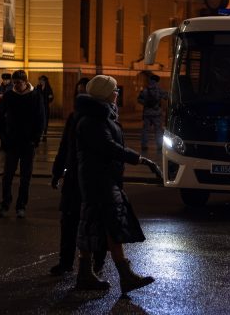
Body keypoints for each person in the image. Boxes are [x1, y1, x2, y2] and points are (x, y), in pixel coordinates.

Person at [74, 75, 157, 294]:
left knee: (98, 224)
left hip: (102, 179)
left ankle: (90, 274)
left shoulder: (101, 116)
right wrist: (138, 158)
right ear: (104, 93)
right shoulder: (93, 120)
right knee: (106, 224)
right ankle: (122, 275)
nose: (117, 94)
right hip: (98, 180)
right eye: (114, 90)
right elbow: (108, 147)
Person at [49, 77, 91, 276]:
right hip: (73, 178)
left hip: (90, 181)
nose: (81, 96)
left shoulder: (99, 118)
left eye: (85, 91)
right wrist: (57, 172)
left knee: (91, 225)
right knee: (68, 221)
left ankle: (91, 267)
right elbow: (65, 146)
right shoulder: (74, 117)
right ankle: (65, 262)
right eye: (79, 92)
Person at [0, 70, 45, 219]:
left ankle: (21, 205)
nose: (15, 86)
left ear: (25, 82)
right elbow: (0, 117)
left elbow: (40, 119)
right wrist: (4, 137)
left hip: (28, 143)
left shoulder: (35, 96)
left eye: (18, 83)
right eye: (14, 83)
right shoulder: (9, 96)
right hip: (12, 141)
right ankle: (5, 203)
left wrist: (35, 139)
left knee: (25, 176)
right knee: (7, 175)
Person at [137, 74, 167, 152]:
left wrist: (146, 103)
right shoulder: (159, 90)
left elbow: (139, 100)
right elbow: (167, 97)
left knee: (145, 131)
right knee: (158, 131)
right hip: (157, 114)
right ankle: (159, 146)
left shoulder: (145, 90)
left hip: (147, 113)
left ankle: (144, 146)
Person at [0, 73, 13, 151]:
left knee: (7, 130)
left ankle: (7, 145)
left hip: (8, 111)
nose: (5, 81)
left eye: (7, 80)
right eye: (4, 80)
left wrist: (3, 96)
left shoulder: (12, 87)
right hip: (0, 110)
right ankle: (3, 145)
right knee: (0, 129)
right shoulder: (0, 87)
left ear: (10, 80)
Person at [37, 75, 54, 142]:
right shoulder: (38, 87)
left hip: (45, 107)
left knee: (45, 121)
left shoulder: (48, 88)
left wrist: (50, 97)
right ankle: (38, 135)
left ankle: (44, 135)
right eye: (40, 80)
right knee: (39, 121)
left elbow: (51, 97)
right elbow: (36, 95)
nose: (41, 81)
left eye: (42, 80)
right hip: (39, 107)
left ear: (45, 81)